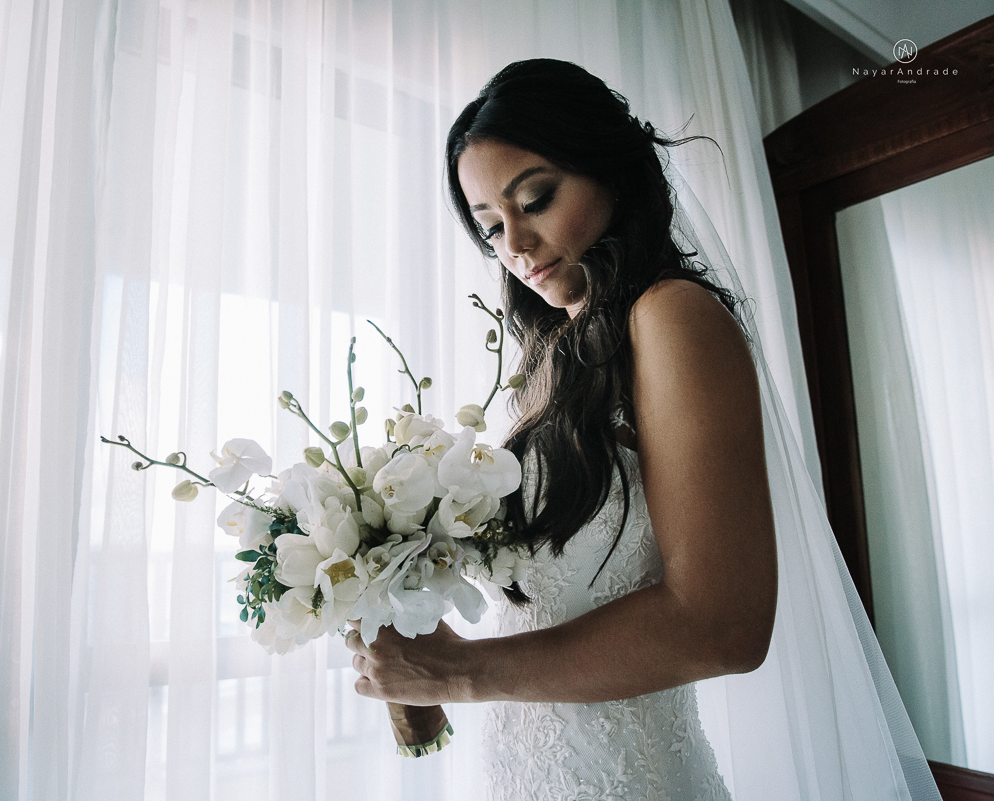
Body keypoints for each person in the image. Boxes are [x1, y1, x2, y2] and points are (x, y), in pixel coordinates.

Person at [344, 59, 940, 801]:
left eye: (536, 199)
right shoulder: (553, 364)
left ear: (612, 172)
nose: (517, 246)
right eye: (492, 228)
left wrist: (463, 672)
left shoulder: (671, 317)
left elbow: (724, 625)